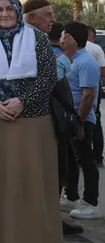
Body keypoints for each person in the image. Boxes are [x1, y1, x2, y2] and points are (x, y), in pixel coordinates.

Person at [0, 0, 61, 243]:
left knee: (36, 180)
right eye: (0, 9)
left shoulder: (36, 38)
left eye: (10, 9)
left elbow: (48, 77)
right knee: (7, 184)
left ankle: (41, 236)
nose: (4, 14)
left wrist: (22, 101)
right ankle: (10, 236)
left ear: (18, 11)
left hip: (34, 120)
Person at [23, 0, 83, 236]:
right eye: (47, 15)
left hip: (51, 114)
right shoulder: (27, 40)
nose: (53, 19)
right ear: (31, 18)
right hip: (39, 116)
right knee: (52, 168)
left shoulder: (37, 40)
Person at [59, 22, 102, 219]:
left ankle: (91, 203)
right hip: (71, 119)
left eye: (63, 36)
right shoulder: (71, 59)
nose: (60, 39)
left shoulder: (86, 61)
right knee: (71, 159)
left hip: (82, 121)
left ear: (73, 40)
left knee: (86, 161)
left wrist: (80, 122)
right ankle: (72, 196)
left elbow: (88, 96)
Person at [85, 26, 105, 166]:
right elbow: (102, 71)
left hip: (76, 87)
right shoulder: (96, 48)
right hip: (94, 85)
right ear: (91, 36)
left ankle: (82, 157)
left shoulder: (71, 48)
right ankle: (98, 157)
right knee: (95, 118)